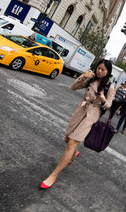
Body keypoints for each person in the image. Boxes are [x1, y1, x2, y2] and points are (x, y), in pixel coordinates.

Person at [40, 60, 115, 189]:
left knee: (72, 143)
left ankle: (53, 175)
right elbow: (73, 87)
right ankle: (74, 154)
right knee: (67, 138)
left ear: (108, 72)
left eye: (103, 69)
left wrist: (102, 98)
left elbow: (109, 106)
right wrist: (85, 76)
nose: (99, 71)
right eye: (98, 68)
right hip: (80, 110)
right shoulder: (90, 78)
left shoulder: (109, 86)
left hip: (92, 115)